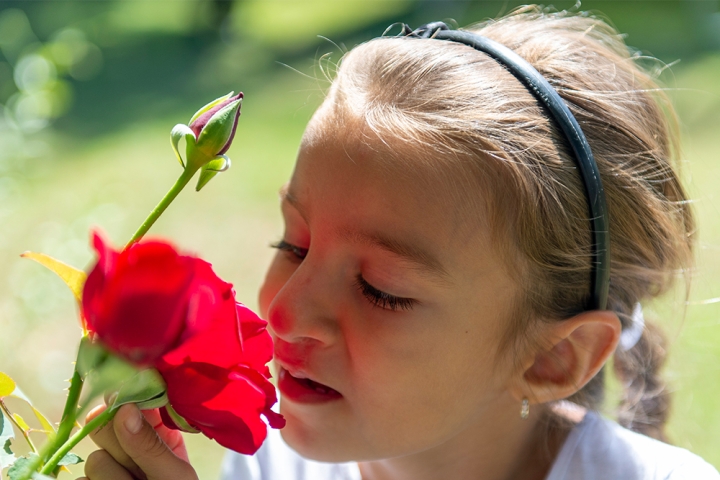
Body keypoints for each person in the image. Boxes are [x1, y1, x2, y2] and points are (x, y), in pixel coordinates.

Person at [79, 7, 720, 480]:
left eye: (380, 290)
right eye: (294, 244)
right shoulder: (279, 462)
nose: (281, 312)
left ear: (553, 360)